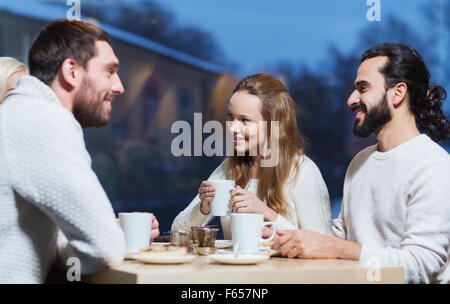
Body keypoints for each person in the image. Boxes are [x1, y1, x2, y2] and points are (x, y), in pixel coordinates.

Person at [272, 43, 450, 284]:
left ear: (397, 93)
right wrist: (280, 231)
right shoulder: (360, 161)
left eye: (362, 88)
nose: (351, 99)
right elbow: (335, 245)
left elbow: (419, 267)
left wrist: (334, 247)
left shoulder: (435, 166)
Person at [0, 19, 159, 283]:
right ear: (71, 71)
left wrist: (108, 234)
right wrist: (111, 237)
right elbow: (104, 247)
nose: (119, 86)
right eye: (110, 71)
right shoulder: (44, 121)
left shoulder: (19, 114)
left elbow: (62, 241)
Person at [172, 73, 332, 239]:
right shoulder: (229, 168)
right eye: (231, 117)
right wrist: (202, 209)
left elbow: (323, 245)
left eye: (245, 120)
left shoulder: (303, 171)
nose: (232, 128)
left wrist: (266, 213)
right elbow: (177, 232)